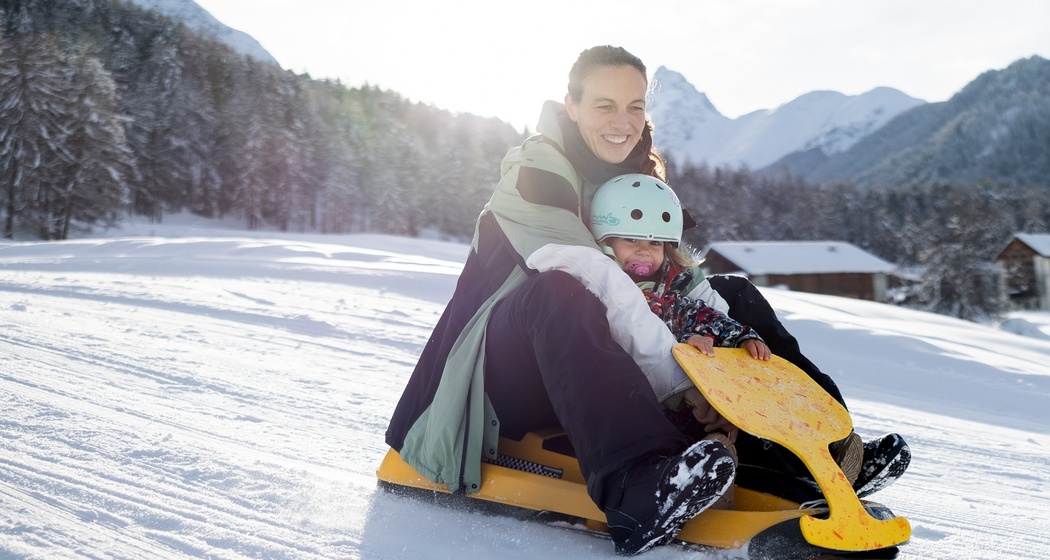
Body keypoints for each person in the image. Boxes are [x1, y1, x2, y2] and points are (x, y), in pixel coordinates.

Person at [385, 45, 907, 554]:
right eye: (604, 105)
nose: (623, 121)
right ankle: (638, 486)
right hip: (498, 377)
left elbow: (683, 278)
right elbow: (602, 284)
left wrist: (728, 371)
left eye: (634, 106)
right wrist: (690, 385)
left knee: (734, 294)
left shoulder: (631, 177)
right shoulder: (536, 175)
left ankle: (812, 451)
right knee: (561, 291)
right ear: (571, 106)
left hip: (590, 360)